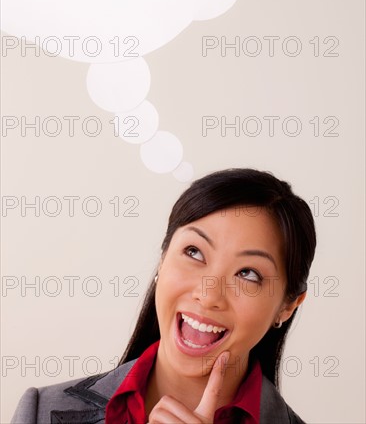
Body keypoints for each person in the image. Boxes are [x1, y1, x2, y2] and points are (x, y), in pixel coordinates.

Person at [11, 168, 316, 423]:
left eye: (248, 273)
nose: (208, 295)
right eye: (194, 252)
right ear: (163, 258)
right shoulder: (39, 411)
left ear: (287, 306)